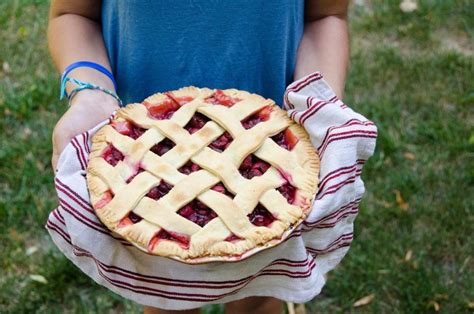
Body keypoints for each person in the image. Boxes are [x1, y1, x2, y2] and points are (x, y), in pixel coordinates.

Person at [48, 1, 349, 313]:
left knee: (260, 294)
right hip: (145, 159)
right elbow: (74, 14)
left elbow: (326, 15)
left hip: (269, 152)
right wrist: (91, 95)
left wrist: (318, 109)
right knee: (168, 300)